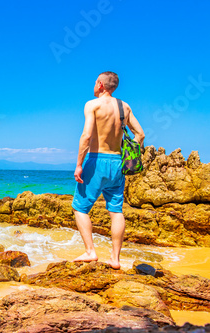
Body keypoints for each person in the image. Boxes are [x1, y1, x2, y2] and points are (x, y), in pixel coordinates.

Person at [72, 71, 145, 269]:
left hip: (96, 160)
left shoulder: (92, 105)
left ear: (101, 85)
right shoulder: (124, 107)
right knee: (116, 211)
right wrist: (128, 156)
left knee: (80, 208)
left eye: (96, 82)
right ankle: (115, 259)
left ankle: (90, 252)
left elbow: (86, 136)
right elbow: (140, 135)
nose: (94, 86)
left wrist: (79, 164)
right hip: (117, 162)